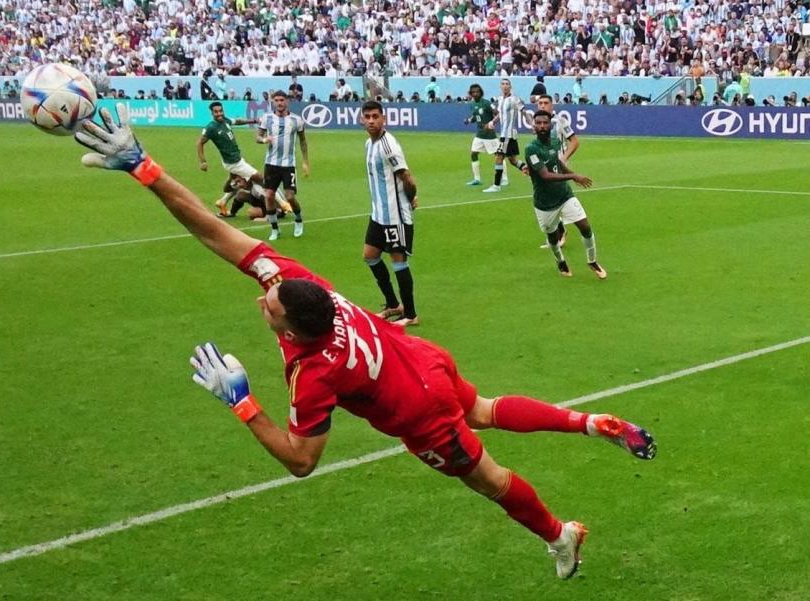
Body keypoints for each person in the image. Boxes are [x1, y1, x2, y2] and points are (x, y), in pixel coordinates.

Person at [73, 104, 657, 580]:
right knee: (481, 409)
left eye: (269, 307)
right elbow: (213, 228)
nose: (262, 299)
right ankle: (591, 422)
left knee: (493, 480)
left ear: (293, 330)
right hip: (424, 361)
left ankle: (562, 535)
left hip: (420, 412)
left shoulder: (311, 372)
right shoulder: (306, 286)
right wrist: (144, 169)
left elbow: (302, 461)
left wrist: (242, 404)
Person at [525, 110, 607, 279]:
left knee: (585, 226)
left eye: (544, 123)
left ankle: (592, 261)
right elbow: (545, 176)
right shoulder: (531, 149)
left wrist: (571, 174)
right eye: (538, 123)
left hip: (564, 195)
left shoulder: (555, 142)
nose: (542, 126)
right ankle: (560, 261)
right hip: (545, 203)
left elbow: (558, 164)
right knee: (553, 237)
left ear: (550, 125)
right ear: (534, 126)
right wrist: (574, 176)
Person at [361, 101, 419, 327]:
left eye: (376, 116)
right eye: (367, 116)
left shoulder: (388, 145)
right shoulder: (369, 144)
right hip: (378, 214)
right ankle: (393, 304)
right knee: (369, 256)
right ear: (362, 119)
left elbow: (407, 177)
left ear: (383, 118)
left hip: (395, 215)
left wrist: (411, 197)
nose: (372, 120)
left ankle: (411, 314)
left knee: (398, 261)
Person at [197, 102, 291, 216]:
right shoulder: (211, 127)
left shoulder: (225, 121)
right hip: (234, 163)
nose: (219, 113)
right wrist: (203, 161)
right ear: (211, 113)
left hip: (234, 160)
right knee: (261, 178)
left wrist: (253, 121)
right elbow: (200, 143)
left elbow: (238, 121)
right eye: (216, 112)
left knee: (236, 183)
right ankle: (282, 204)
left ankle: (223, 201)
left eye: (220, 111)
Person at [256, 90, 310, 240]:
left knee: (290, 197)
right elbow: (258, 137)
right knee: (269, 196)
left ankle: (298, 220)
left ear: (287, 101)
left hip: (288, 164)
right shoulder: (267, 118)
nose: (279, 103)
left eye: (282, 100)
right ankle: (275, 229)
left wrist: (305, 161)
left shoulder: (296, 120)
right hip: (271, 164)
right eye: (277, 100)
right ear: (273, 102)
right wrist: (264, 140)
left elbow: (303, 141)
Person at [535, 94, 580, 249]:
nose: (542, 106)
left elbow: (574, 141)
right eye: (540, 103)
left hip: (558, 169)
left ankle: (560, 234)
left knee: (557, 199)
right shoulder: (539, 124)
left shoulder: (560, 121)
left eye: (545, 103)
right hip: (542, 168)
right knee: (548, 200)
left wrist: (564, 158)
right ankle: (558, 233)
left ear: (552, 105)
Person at [484, 79, 528, 193]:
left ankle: (496, 185)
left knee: (499, 157)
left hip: (508, 134)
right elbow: (500, 114)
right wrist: (493, 122)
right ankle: (533, 171)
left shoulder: (514, 99)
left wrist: (533, 124)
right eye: (503, 84)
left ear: (510, 87)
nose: (505, 86)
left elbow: (524, 112)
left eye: (507, 84)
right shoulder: (500, 99)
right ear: (500, 86)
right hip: (504, 134)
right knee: (513, 160)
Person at [463, 83, 497, 187]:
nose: (475, 94)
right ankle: (477, 179)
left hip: (489, 135)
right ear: (471, 93)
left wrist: (492, 123)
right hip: (479, 134)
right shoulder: (473, 104)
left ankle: (503, 179)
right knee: (473, 153)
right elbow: (476, 116)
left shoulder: (486, 103)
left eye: (477, 92)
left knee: (498, 156)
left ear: (480, 93)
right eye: (473, 92)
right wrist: (468, 120)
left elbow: (497, 112)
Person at [215, 175, 288, 221]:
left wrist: (267, 217)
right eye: (236, 182)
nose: (238, 184)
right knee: (240, 195)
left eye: (239, 181)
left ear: (246, 179)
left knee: (251, 212)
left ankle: (271, 215)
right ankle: (232, 213)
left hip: (277, 207)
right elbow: (227, 189)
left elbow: (269, 198)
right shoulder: (244, 181)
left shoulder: (257, 188)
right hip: (263, 200)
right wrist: (223, 200)